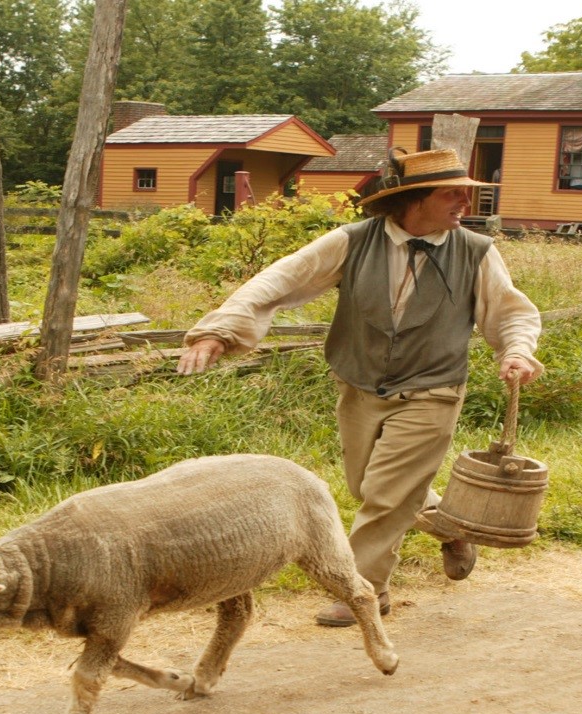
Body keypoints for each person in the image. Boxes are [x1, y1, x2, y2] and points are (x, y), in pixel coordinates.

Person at [176, 148, 543, 627]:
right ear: (414, 198)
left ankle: (364, 590)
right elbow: (278, 281)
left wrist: (516, 349)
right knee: (367, 486)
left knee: (387, 496)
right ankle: (452, 528)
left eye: (465, 193)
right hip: (360, 386)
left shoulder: (476, 250)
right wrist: (218, 330)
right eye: (452, 193)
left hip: (432, 390)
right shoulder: (351, 242)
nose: (463, 202)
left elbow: (510, 310)